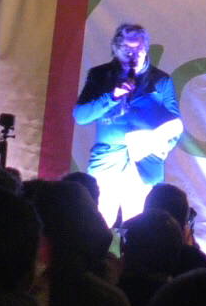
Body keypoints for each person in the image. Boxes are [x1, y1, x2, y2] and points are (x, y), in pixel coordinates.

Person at [73, 23, 183, 223]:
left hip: (145, 165)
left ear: (146, 48)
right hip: (106, 163)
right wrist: (111, 97)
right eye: (127, 50)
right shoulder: (100, 76)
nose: (133, 56)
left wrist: (155, 147)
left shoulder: (161, 81)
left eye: (138, 50)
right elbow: (81, 116)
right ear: (115, 49)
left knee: (139, 229)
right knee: (97, 226)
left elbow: (175, 127)